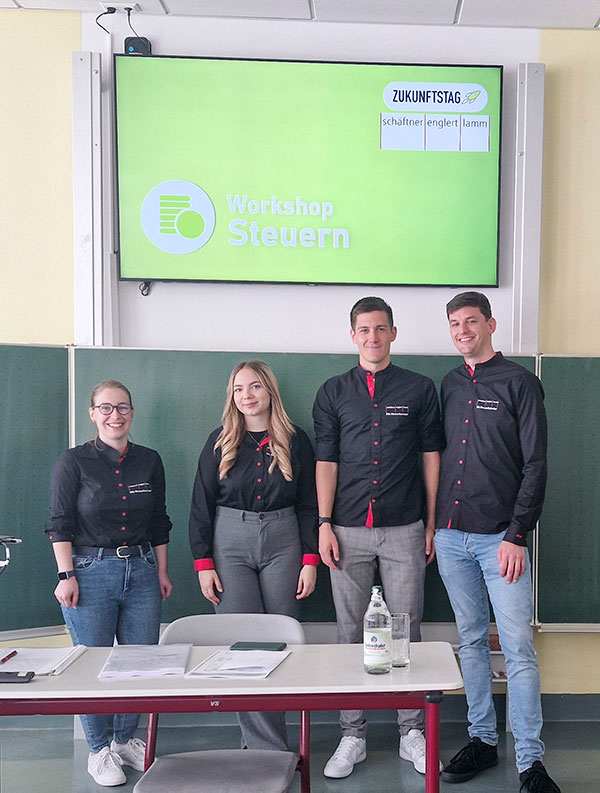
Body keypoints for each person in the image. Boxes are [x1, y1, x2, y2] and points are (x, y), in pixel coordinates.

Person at [435, 292, 560, 792]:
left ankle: (531, 762)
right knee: (469, 643)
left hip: (500, 542)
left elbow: (536, 465)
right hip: (450, 536)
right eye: (454, 324)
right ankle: (483, 742)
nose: (462, 330)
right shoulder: (447, 385)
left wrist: (516, 535)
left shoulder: (520, 383)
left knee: (518, 649)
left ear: (490, 323)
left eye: (470, 321)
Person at [312, 296, 442, 778]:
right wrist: (324, 524)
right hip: (346, 529)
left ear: (393, 332)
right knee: (350, 634)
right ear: (353, 335)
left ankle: (412, 731)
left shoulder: (420, 388)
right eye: (364, 329)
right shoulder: (332, 392)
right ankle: (353, 734)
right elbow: (326, 462)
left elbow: (432, 458)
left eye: (381, 329)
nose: (373, 337)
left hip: (405, 527)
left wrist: (430, 523)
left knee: (406, 628)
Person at [46, 379, 173, 787]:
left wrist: (162, 570)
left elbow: (159, 521)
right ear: (92, 413)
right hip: (89, 571)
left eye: (122, 407)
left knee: (139, 661)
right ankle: (98, 750)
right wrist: (66, 575)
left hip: (141, 569)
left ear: (132, 412)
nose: (114, 415)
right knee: (92, 664)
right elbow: (59, 523)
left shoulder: (149, 460)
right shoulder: (73, 462)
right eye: (105, 408)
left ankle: (124, 740)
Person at [189, 359, 319, 751]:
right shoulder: (219, 440)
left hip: (284, 539)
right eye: (239, 389)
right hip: (229, 540)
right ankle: (270, 750)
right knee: (242, 646)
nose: (247, 395)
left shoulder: (296, 441)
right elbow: (201, 505)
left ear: (270, 392)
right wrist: (203, 564)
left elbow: (310, 504)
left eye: (255, 387)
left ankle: (264, 747)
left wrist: (310, 560)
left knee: (281, 641)